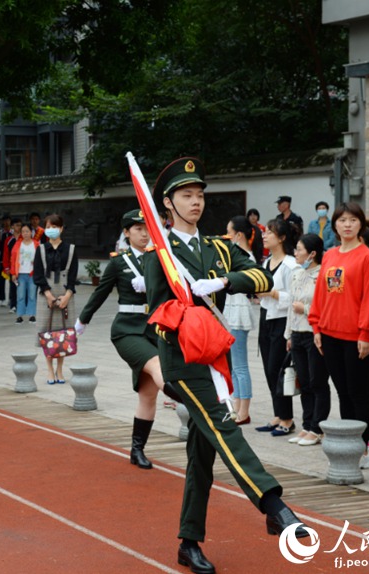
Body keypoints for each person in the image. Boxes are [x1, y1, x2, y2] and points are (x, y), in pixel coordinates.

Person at [144, 156, 307, 572]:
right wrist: (187, 311)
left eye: (199, 195)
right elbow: (157, 314)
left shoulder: (218, 247)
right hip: (183, 360)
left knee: (202, 455)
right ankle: (274, 506)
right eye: (186, 195)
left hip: (214, 360)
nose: (195, 202)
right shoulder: (159, 254)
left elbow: (261, 278)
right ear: (168, 202)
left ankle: (188, 541)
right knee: (223, 425)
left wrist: (222, 282)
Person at [77, 209, 167, 469]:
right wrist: (82, 320)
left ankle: (137, 449)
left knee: (148, 395)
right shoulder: (119, 262)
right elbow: (100, 293)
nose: (144, 233)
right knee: (159, 365)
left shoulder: (160, 259)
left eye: (146, 228)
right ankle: (186, 397)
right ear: (126, 233)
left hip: (155, 329)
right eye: (137, 229)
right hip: (127, 329)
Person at [308, 202, 369, 469]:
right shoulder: (329, 255)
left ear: (361, 224)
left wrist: (365, 333)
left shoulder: (367, 257)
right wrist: (316, 326)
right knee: (342, 391)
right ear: (335, 225)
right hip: (328, 333)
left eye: (353, 220)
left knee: (359, 391)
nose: (347, 224)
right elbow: (320, 293)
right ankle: (350, 443)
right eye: (342, 220)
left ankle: (364, 446)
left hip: (355, 336)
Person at [254, 219, 299, 437]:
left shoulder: (291, 265)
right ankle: (278, 414)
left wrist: (271, 293)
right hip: (266, 317)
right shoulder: (266, 262)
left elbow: (295, 297)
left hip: (282, 319)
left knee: (278, 370)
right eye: (264, 232)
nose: (265, 236)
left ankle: (288, 419)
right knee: (268, 369)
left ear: (282, 238)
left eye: (270, 232)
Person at [284, 234, 329, 447]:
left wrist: (307, 309)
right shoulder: (296, 273)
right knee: (303, 381)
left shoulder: (323, 275)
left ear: (312, 253)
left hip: (315, 333)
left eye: (299, 249)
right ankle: (307, 424)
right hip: (297, 333)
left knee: (317, 381)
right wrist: (288, 335)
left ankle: (318, 427)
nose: (295, 253)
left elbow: (328, 307)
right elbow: (291, 306)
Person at [33, 214, 78, 386]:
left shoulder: (71, 249)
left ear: (61, 228)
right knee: (47, 332)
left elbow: (73, 275)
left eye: (55, 226)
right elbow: (37, 274)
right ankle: (50, 370)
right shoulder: (41, 249)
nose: (51, 229)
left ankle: (60, 369)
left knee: (63, 333)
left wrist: (67, 295)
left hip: (66, 293)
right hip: (46, 294)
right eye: (48, 226)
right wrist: (48, 294)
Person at [224, 216, 258, 424]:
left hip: (238, 311)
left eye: (229, 232)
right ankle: (237, 405)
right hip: (230, 311)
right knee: (234, 365)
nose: (226, 236)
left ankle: (244, 409)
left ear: (238, 234)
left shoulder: (245, 257)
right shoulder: (237, 254)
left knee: (240, 365)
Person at [11, 224, 39, 323]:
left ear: (31, 232)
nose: (25, 233)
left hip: (32, 274)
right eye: (23, 231)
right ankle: (20, 315)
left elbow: (40, 259)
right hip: (21, 274)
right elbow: (13, 259)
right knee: (21, 295)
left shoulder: (36, 244)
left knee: (32, 295)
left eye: (27, 231)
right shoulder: (18, 244)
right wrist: (13, 273)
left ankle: (32, 315)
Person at [0, 213, 12, 307]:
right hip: (2, 259)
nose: (6, 222)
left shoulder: (13, 233)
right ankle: (2, 299)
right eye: (4, 220)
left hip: (11, 259)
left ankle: (11, 298)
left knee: (11, 280)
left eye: (8, 220)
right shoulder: (0, 233)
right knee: (2, 280)